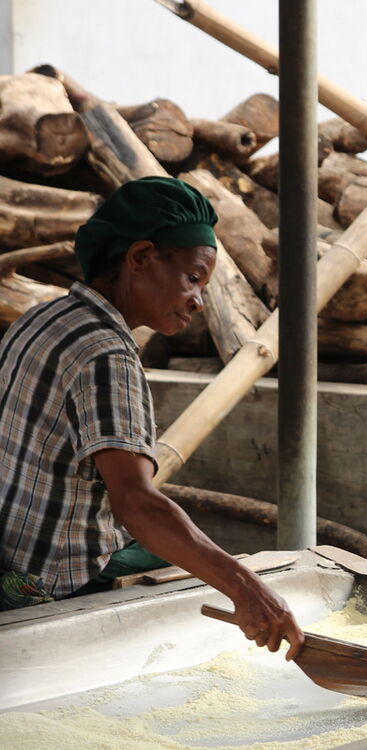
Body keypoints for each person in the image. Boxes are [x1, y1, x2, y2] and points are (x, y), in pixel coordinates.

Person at [0, 176, 303, 660]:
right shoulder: (107, 355)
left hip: (8, 548)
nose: (198, 300)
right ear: (139, 257)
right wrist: (246, 588)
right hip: (40, 580)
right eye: (191, 278)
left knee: (178, 547)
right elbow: (136, 504)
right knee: (195, 570)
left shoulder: (41, 318)